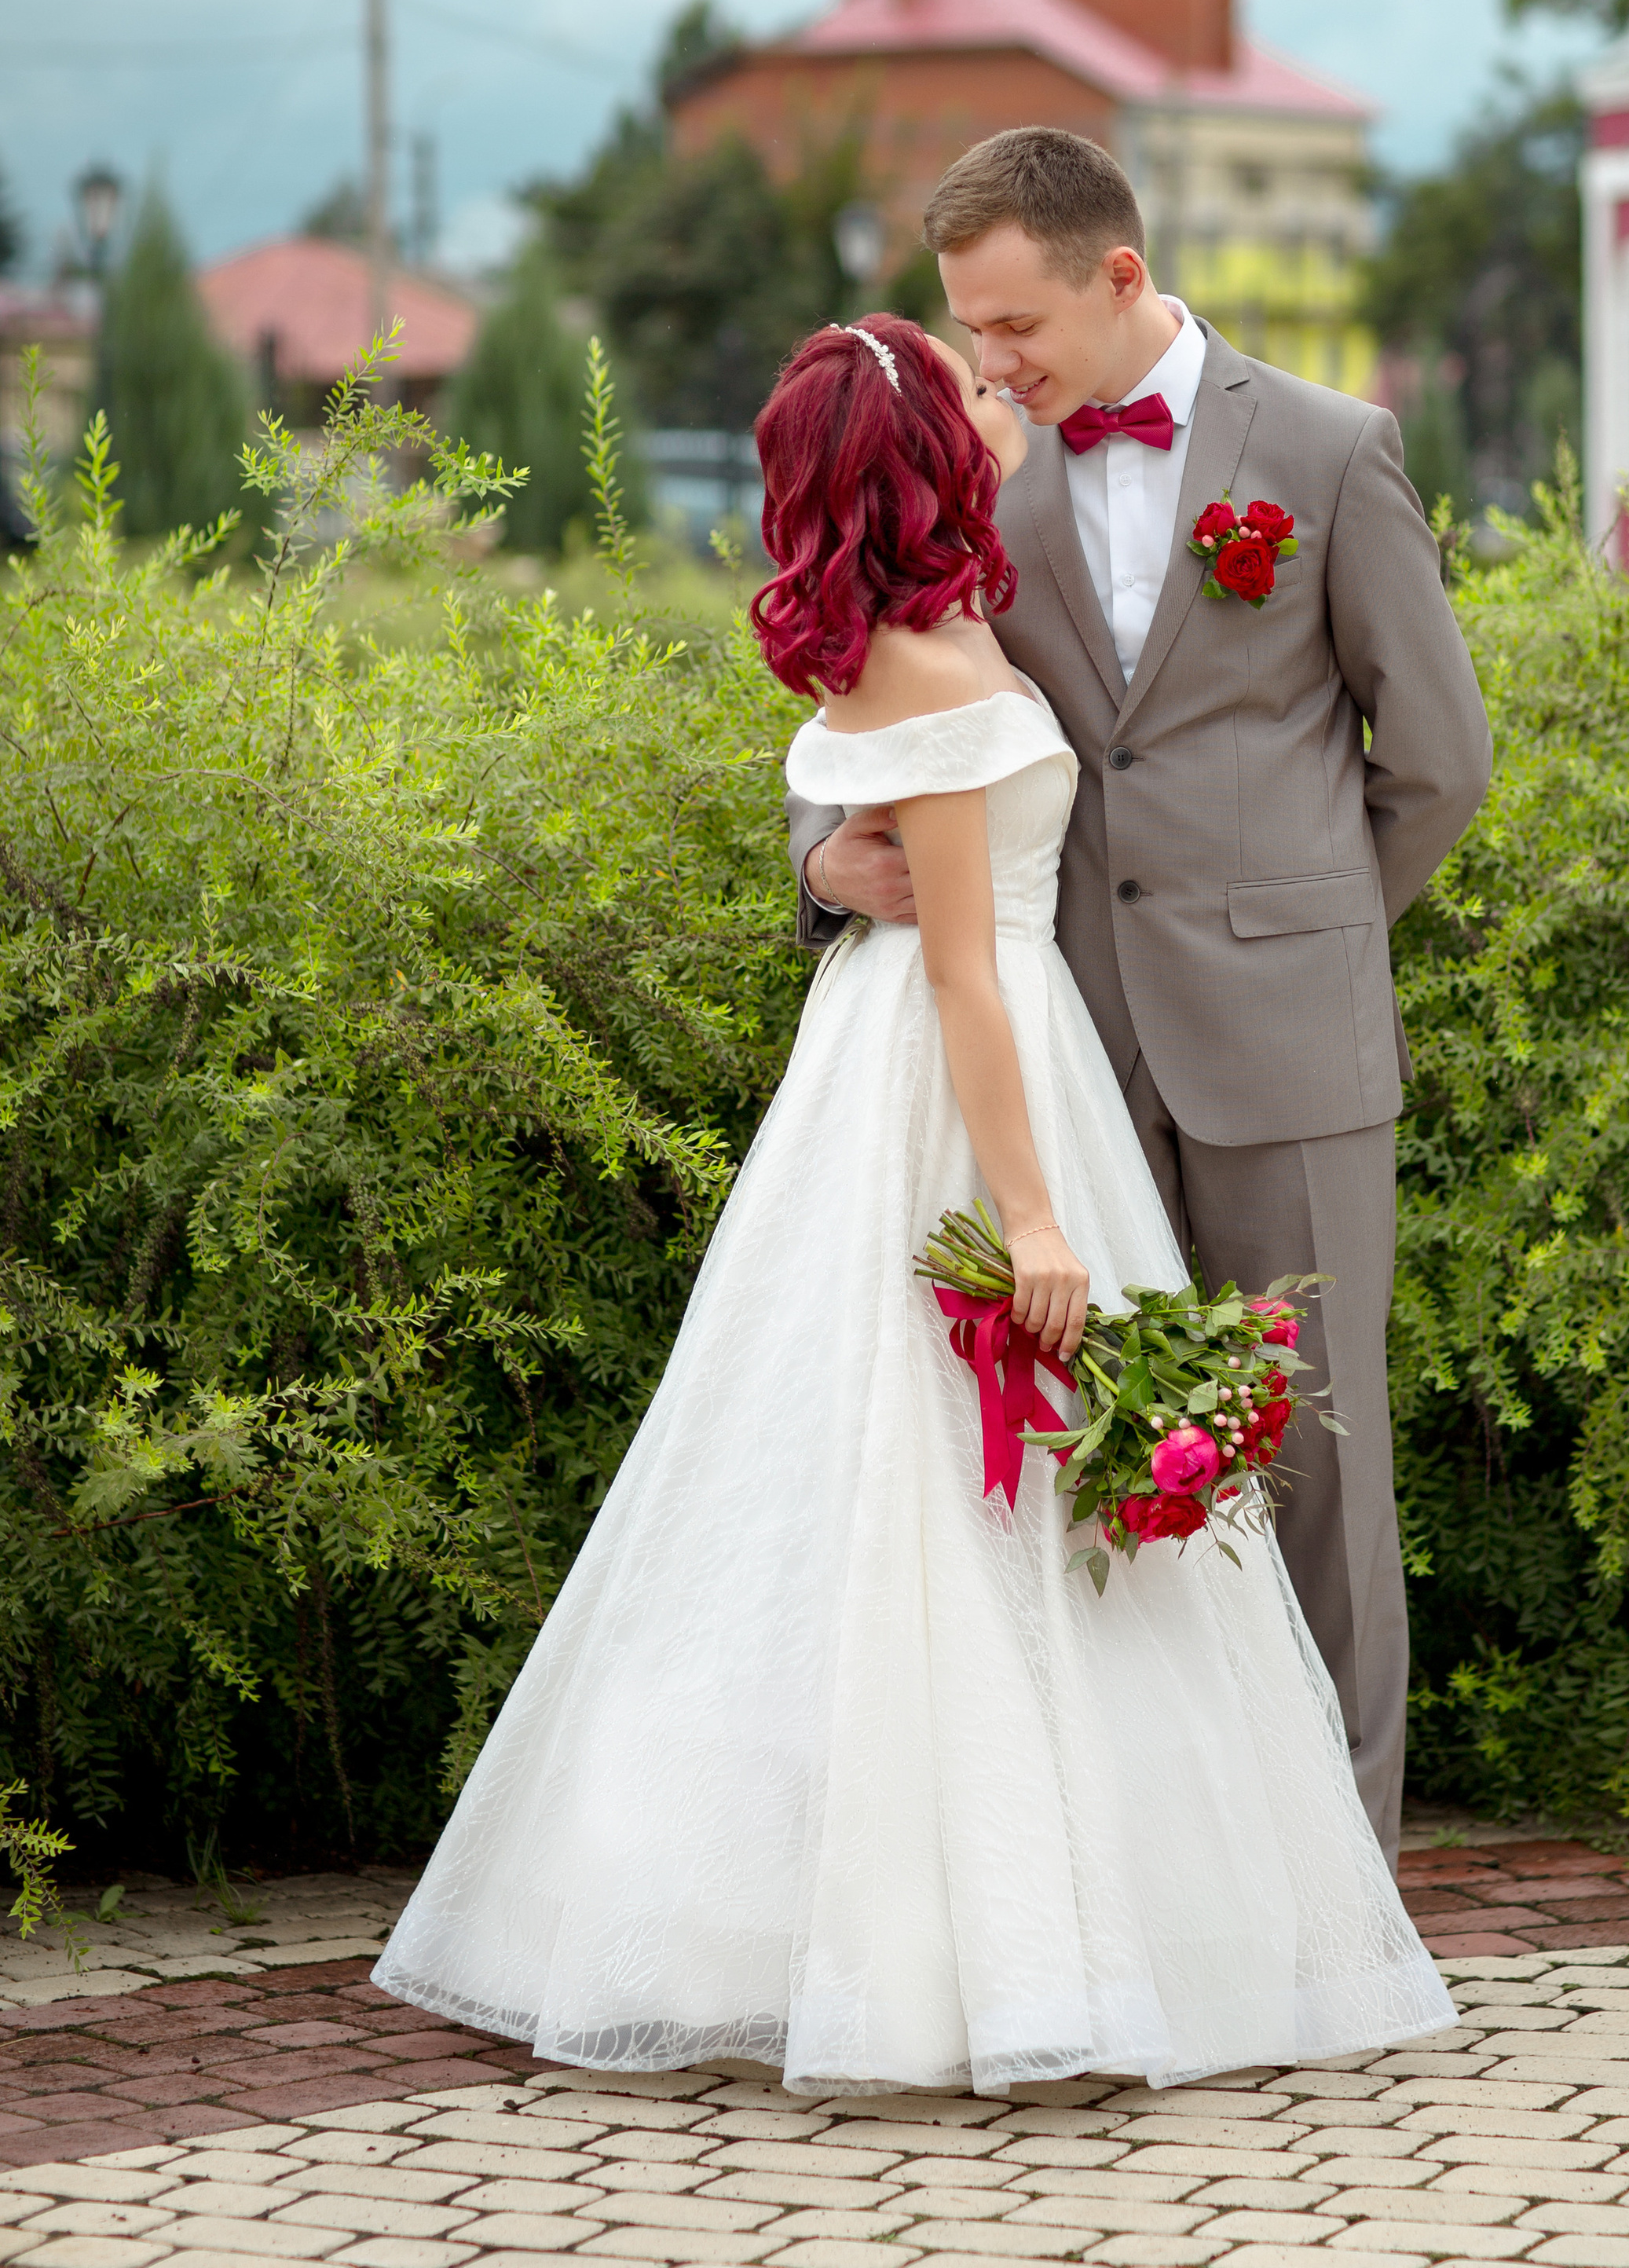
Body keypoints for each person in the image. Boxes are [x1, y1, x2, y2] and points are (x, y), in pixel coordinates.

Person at [375, 313, 1453, 2097]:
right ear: (929, 464)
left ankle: (999, 1916)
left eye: (996, 338)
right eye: (966, 377)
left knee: (906, 1488)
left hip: (975, 1063)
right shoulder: (946, 670)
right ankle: (1008, 1945)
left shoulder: (900, 633)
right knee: (973, 1500)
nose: (996, 376)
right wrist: (1033, 1221)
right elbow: (958, 960)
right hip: (990, 1074)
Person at [789, 130, 1492, 1871]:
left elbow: (1442, 759)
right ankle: (1158, 1885)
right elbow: (871, 692)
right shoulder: (988, 476)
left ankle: (1341, 1889)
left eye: (1014, 326)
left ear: (1117, 276)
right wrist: (823, 866)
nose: (992, 367)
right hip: (1054, 1060)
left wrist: (1306, 934)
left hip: (1285, 1053)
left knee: (1311, 1465)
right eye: (969, 332)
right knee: (1095, 1472)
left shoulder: (1327, 453)